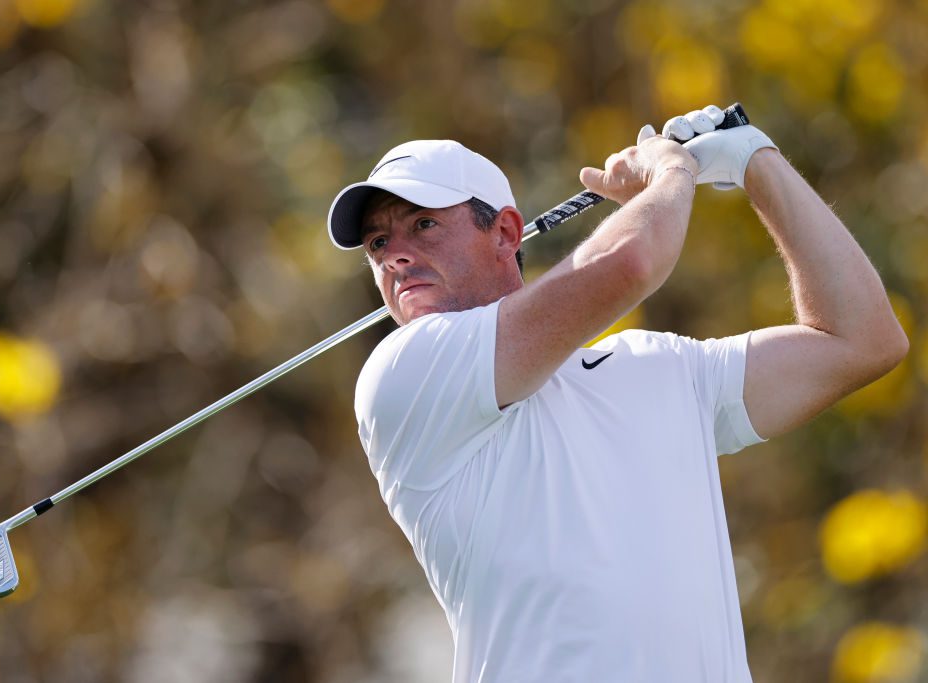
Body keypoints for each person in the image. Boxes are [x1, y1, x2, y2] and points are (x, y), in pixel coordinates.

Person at [325, 107, 908, 681]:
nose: (394, 255)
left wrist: (756, 160)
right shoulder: (405, 374)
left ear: (504, 232)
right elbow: (631, 260)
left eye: (422, 224)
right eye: (378, 242)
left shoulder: (661, 366)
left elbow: (862, 340)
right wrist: (671, 170)